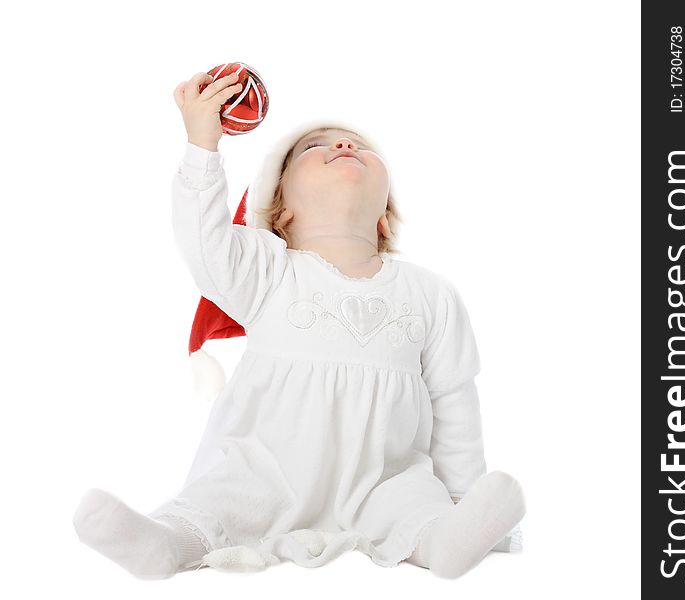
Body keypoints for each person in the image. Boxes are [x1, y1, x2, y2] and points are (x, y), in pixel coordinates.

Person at [72, 71, 526, 580]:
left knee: (413, 502)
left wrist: (463, 493)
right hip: (265, 469)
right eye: (313, 148)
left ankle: (444, 540)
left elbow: (454, 400)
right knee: (223, 499)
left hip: (384, 476)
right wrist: (203, 144)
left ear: (384, 215)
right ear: (281, 209)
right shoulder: (266, 271)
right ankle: (168, 542)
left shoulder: (430, 294)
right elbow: (204, 241)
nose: (343, 143)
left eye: (359, 147)